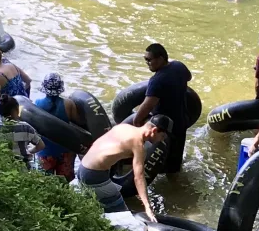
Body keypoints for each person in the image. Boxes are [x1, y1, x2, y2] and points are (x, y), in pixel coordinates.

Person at [77, 116, 172, 220]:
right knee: (123, 216)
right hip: (95, 175)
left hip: (82, 168)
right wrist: (147, 207)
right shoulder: (139, 146)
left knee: (96, 206)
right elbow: (139, 177)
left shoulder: (123, 127)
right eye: (162, 136)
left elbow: (102, 145)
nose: (161, 140)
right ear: (154, 130)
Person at [133, 43, 192, 174]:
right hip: (181, 122)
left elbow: (148, 104)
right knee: (175, 165)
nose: (147, 63)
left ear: (160, 59)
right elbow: (189, 77)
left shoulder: (157, 80)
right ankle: (176, 187)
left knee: (159, 162)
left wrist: (136, 121)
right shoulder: (179, 66)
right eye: (145, 60)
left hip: (164, 128)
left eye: (149, 60)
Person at [35, 73, 82, 182]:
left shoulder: (37, 104)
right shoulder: (68, 104)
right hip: (65, 149)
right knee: (64, 182)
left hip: (45, 150)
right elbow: (78, 123)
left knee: (45, 181)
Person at [0, 95, 44, 167]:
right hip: (22, 166)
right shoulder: (25, 127)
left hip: (1, 167)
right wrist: (29, 151)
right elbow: (41, 145)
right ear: (15, 111)